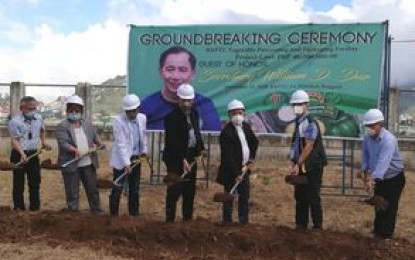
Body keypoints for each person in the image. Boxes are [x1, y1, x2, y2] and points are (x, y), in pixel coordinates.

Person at [140, 46, 221, 131]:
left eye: (183, 70)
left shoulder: (204, 106)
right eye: (170, 69)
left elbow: (212, 140)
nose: (175, 76)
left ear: (193, 74)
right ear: (161, 72)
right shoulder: (146, 106)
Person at [361, 108, 405, 239]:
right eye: (366, 126)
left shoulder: (388, 140)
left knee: (388, 207)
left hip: (393, 178)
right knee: (378, 204)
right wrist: (365, 174)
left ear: (379, 124)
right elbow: (365, 156)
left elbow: (382, 163)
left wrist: (372, 179)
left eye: (371, 125)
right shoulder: (367, 138)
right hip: (378, 177)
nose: (368, 128)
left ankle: (385, 236)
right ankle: (377, 231)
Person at [163, 84, 205, 222]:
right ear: (178, 99)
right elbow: (172, 141)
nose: (187, 104)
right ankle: (170, 220)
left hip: (191, 154)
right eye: (184, 100)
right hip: (175, 158)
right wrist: (182, 159)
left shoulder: (194, 112)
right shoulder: (171, 117)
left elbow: (196, 133)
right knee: (175, 189)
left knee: (189, 189)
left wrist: (200, 150)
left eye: (189, 100)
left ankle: (187, 220)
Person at [56, 95, 105, 214]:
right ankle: (73, 212)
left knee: (92, 188)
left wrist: (99, 143)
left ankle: (96, 209)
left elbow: (94, 136)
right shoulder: (62, 126)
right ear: (67, 111)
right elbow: (63, 142)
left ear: (81, 111)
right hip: (72, 163)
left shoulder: (87, 123)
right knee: (72, 191)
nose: (74, 113)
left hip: (88, 162)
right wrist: (74, 150)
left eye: (76, 111)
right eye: (71, 110)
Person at [288, 90, 327, 230]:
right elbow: (297, 145)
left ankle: (317, 226)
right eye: (294, 104)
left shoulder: (310, 123)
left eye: (299, 104)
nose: (296, 107)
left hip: (312, 166)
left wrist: (298, 163)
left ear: (306, 105)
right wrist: (294, 162)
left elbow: (309, 146)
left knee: (313, 197)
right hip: (301, 166)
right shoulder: (299, 122)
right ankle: (301, 225)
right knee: (300, 196)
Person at [216, 99, 258, 225]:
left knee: (244, 196)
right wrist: (236, 174)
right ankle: (227, 221)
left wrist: (251, 158)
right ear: (229, 115)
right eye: (234, 113)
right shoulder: (226, 133)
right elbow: (228, 157)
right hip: (231, 171)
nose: (237, 116)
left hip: (245, 169)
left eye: (240, 113)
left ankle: (243, 220)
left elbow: (254, 142)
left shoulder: (246, 127)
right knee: (229, 195)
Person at [8, 96, 51, 211]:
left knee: (35, 182)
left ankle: (34, 208)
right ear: (22, 108)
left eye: (34, 108)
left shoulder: (38, 118)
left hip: (33, 154)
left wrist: (43, 142)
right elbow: (14, 140)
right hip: (18, 154)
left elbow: (42, 130)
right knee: (18, 183)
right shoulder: (15, 122)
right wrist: (22, 154)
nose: (33, 111)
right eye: (30, 108)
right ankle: (19, 207)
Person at [109, 94, 148, 216]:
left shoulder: (142, 118)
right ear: (125, 110)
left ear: (138, 109)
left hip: (136, 157)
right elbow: (121, 144)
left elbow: (143, 136)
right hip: (122, 160)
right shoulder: (118, 121)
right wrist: (126, 163)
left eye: (134, 111)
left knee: (134, 188)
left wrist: (144, 151)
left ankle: (134, 214)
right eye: (129, 111)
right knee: (118, 187)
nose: (131, 113)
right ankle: (113, 216)